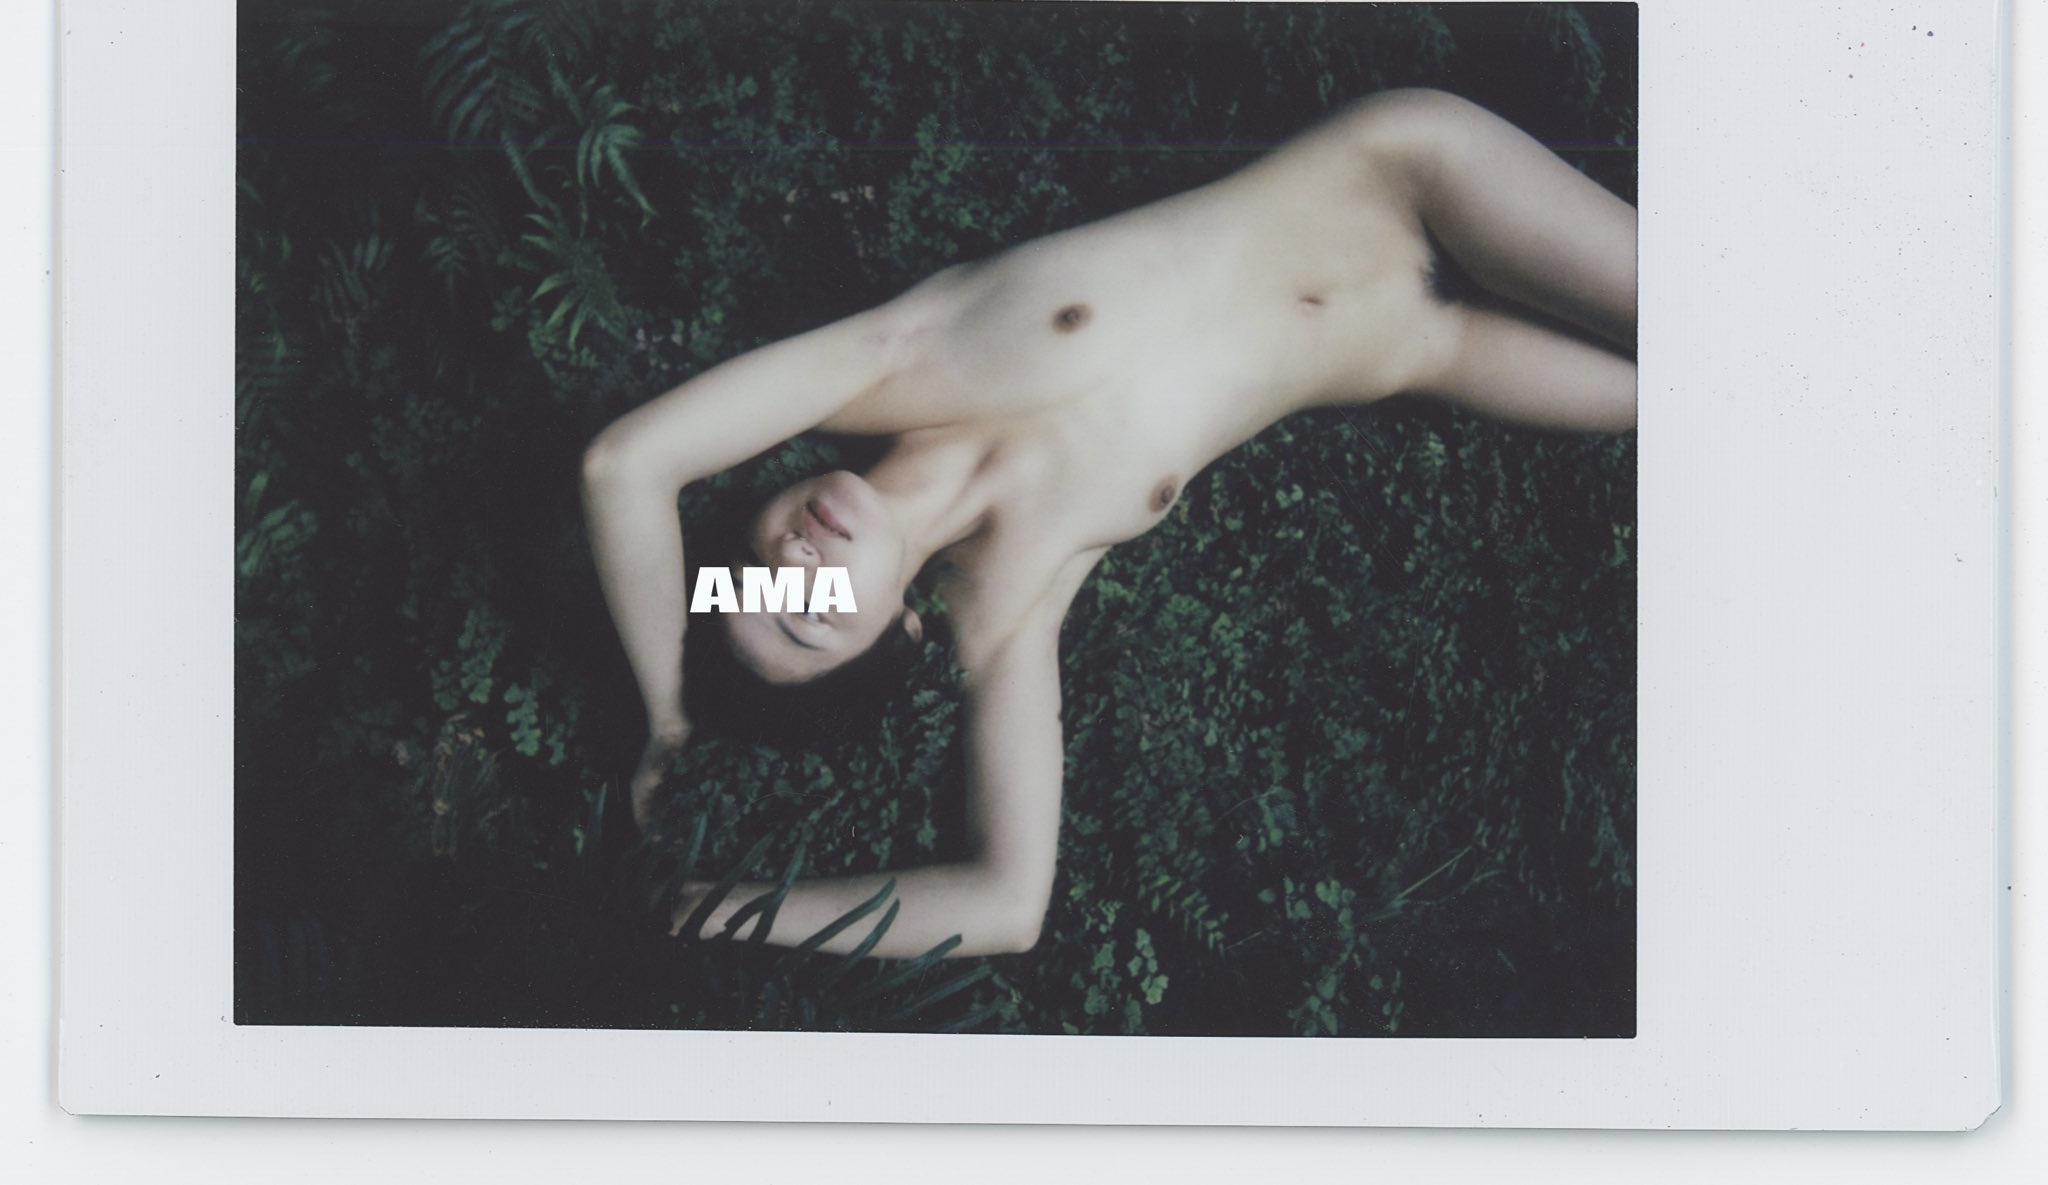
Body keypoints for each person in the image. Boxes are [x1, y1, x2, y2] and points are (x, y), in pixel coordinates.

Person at [579, 88, 1636, 958]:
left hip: (1407, 173)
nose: (794, 561)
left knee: (1714, 328)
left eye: (756, 568)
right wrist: (709, 910)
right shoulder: (1008, 601)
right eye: (805, 616)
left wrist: (667, 719)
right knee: (1696, 402)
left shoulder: (885, 363)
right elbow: (1006, 902)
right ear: (901, 630)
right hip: (1430, 348)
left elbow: (624, 465)